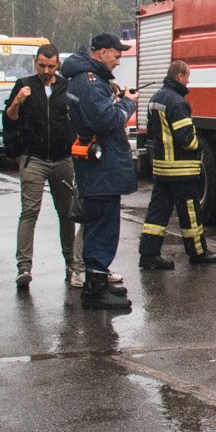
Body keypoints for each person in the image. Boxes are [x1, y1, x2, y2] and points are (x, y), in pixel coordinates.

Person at [62, 33, 137, 311]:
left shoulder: (85, 79)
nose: (118, 61)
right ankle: (95, 290)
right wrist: (127, 103)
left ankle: (99, 283)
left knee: (100, 225)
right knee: (103, 227)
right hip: (101, 168)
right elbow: (106, 120)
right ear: (102, 52)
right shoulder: (91, 82)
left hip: (98, 167)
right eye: (116, 55)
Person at [3, 44, 83, 289]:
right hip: (34, 158)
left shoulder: (66, 87)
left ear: (58, 64)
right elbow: (10, 117)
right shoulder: (24, 84)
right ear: (35, 62)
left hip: (63, 158)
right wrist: (17, 102)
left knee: (67, 213)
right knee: (29, 212)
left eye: (51, 66)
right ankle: (24, 267)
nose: (46, 70)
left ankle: (71, 265)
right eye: (41, 65)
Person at [138, 60, 216, 269]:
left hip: (161, 168)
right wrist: (198, 147)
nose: (189, 82)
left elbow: (151, 131)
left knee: (157, 213)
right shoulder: (178, 102)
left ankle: (148, 255)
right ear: (179, 77)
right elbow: (187, 139)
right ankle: (198, 252)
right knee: (190, 213)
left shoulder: (156, 98)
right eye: (188, 77)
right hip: (182, 171)